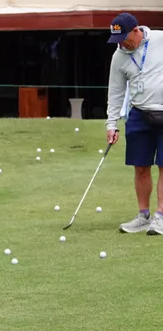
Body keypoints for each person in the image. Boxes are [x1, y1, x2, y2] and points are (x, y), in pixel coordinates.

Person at [106, 12, 163, 235]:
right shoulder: (119, 56)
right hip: (139, 113)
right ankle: (143, 216)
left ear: (136, 30)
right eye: (117, 40)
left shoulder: (160, 39)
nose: (122, 44)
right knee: (140, 166)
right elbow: (116, 92)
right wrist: (111, 124)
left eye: (125, 39)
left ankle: (161, 216)